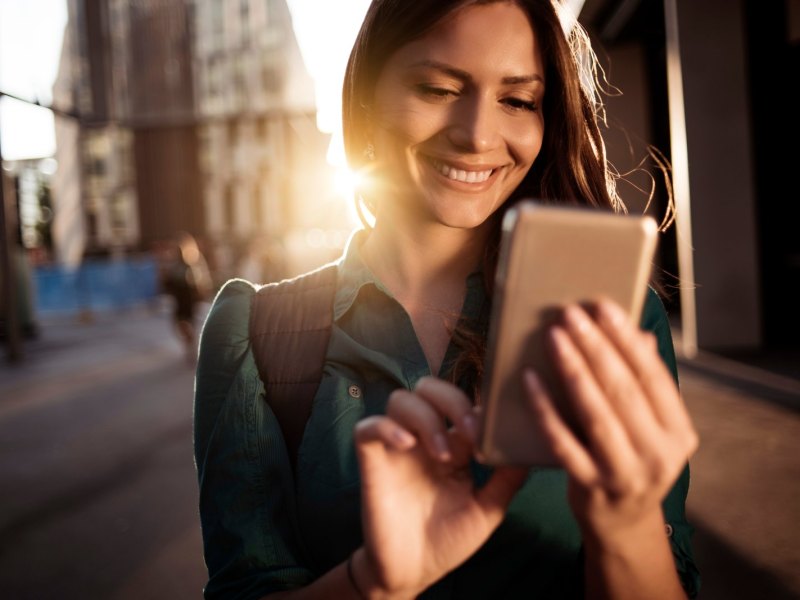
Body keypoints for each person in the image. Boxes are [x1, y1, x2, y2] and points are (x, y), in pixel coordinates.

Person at [193, 1, 701, 598]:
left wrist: (628, 525)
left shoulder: (609, 319)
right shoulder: (256, 333)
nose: (478, 135)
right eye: (437, 88)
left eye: (517, 100)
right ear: (365, 96)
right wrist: (373, 582)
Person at [161, 231, 212, 363]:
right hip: (179, 298)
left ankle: (190, 347)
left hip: (188, 298)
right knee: (179, 325)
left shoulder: (192, 261)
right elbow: (169, 282)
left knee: (187, 324)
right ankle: (190, 344)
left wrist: (200, 291)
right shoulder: (173, 263)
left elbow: (200, 280)